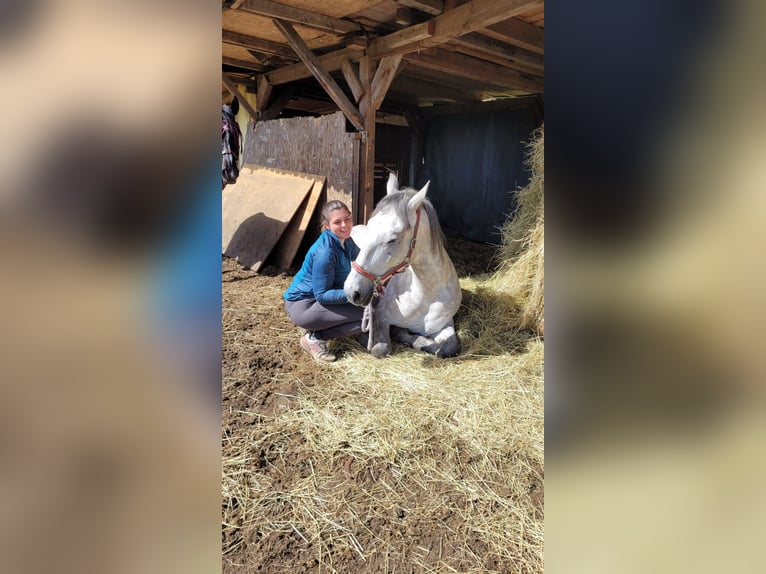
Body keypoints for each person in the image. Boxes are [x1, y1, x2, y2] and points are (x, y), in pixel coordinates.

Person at [283, 200, 365, 362]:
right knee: (367, 315)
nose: (344, 225)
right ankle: (314, 338)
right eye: (337, 222)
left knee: (369, 308)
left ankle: (320, 324)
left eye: (347, 219)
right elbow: (322, 295)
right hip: (304, 304)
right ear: (327, 225)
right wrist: (356, 294)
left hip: (318, 301)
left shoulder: (346, 240)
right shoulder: (325, 253)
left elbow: (362, 260)